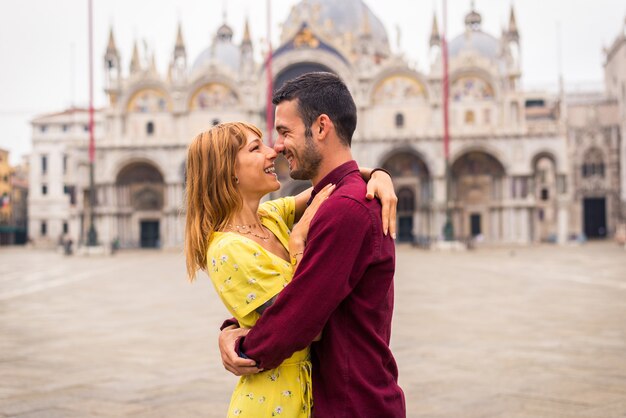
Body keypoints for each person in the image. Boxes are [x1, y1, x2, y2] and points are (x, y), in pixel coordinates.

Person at [219, 72, 406, 417]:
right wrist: (232, 326)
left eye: (285, 132)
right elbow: (290, 295)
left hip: (352, 403)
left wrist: (242, 346)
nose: (277, 146)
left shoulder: (346, 208)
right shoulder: (333, 197)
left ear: (321, 128)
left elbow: (298, 317)